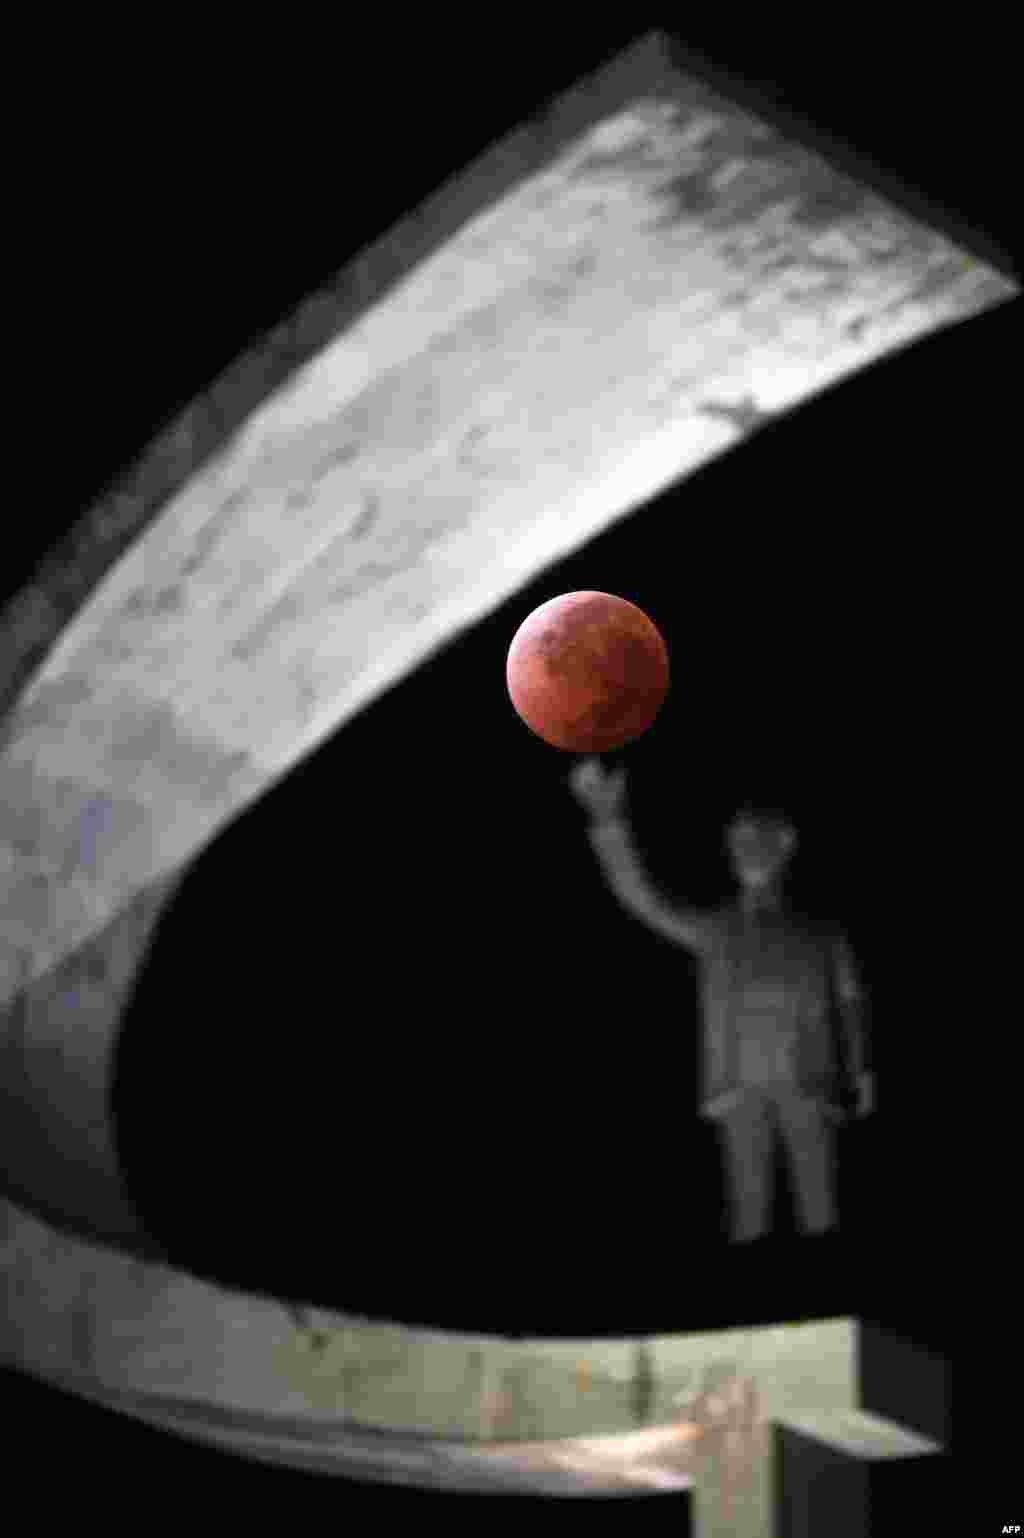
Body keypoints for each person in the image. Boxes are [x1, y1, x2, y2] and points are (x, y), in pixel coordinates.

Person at [569, 758, 873, 1243]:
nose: (748, 850)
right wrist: (608, 822)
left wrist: (861, 1072)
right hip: (740, 1087)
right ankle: (755, 1308)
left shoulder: (823, 934)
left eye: (760, 840)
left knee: (820, 1211)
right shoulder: (717, 930)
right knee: (748, 1212)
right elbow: (641, 899)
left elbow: (851, 1004)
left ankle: (824, 1296)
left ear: (786, 847)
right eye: (739, 842)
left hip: (809, 1083)